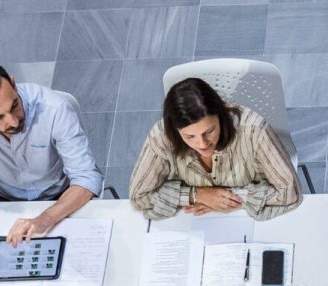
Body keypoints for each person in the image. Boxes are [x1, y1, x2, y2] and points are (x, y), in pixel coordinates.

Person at [0, 61, 103, 250]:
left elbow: (86, 177)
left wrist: (45, 219)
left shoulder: (55, 109)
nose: (12, 121)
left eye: (14, 106)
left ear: (13, 83)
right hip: (2, 198)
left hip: (59, 196)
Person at [129, 77, 302, 221]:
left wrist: (227, 199)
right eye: (190, 137)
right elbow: (139, 196)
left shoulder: (254, 130)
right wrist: (197, 195)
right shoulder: (160, 136)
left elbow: (289, 192)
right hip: (195, 218)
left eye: (209, 131)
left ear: (220, 115)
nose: (202, 144)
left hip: (242, 217)